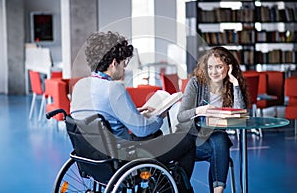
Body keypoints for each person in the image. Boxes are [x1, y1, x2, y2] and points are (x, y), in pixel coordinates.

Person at [82, 31, 195, 192]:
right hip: (123, 154)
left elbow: (102, 116)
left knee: (155, 137)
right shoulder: (114, 88)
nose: (125, 68)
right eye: (123, 63)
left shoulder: (84, 86)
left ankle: (162, 183)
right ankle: (173, 189)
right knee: (186, 141)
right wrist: (159, 116)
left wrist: (134, 113)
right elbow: (142, 130)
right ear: (114, 63)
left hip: (93, 155)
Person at [177, 46, 249, 193]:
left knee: (219, 138)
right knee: (220, 144)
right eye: (210, 67)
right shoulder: (196, 83)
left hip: (215, 137)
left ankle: (218, 191)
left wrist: (235, 83)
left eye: (219, 67)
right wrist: (200, 110)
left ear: (228, 67)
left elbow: (239, 114)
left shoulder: (230, 86)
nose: (213, 72)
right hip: (191, 140)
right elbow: (181, 115)